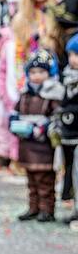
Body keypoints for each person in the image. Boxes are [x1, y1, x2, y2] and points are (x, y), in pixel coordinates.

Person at [12, 49, 63, 222]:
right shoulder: (25, 94)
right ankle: (33, 207)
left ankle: (47, 209)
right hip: (26, 143)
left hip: (43, 146)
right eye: (33, 72)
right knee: (31, 180)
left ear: (49, 73)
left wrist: (43, 128)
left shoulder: (53, 93)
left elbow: (57, 116)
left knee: (45, 180)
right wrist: (14, 122)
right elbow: (15, 111)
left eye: (41, 72)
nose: (36, 76)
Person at [58, 34, 78, 224]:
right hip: (68, 133)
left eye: (77, 55)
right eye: (70, 54)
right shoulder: (66, 78)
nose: (73, 59)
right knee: (72, 172)